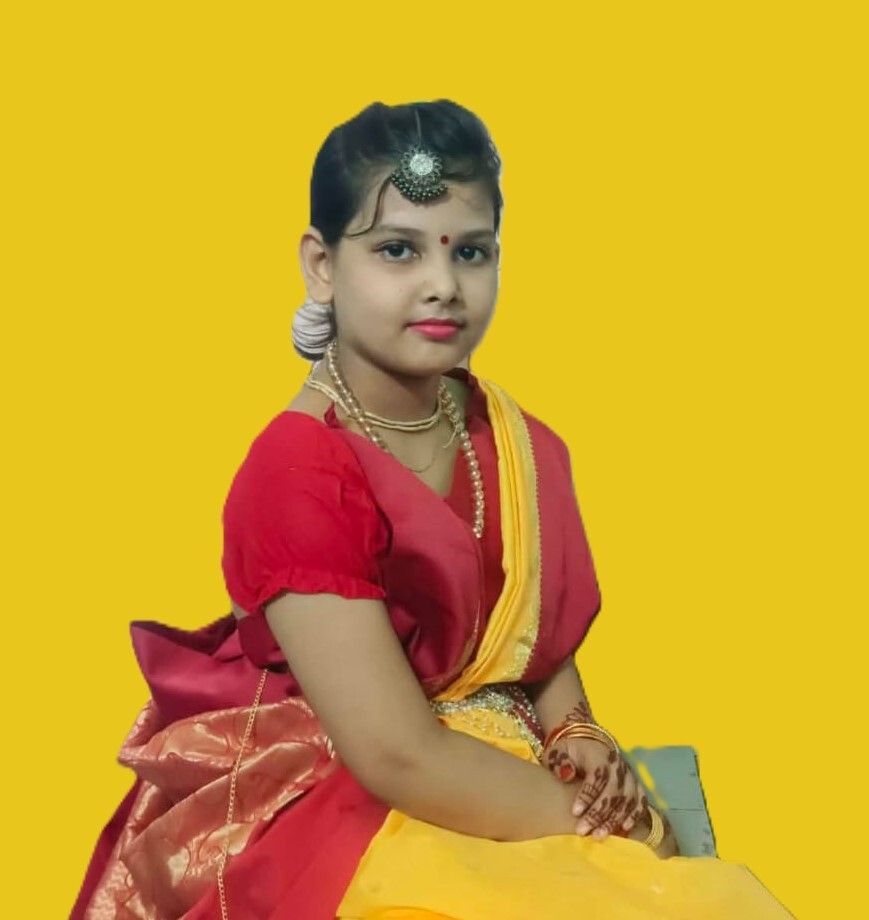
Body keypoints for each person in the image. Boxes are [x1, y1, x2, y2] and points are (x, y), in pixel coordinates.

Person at [72, 100, 792, 919]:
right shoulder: (299, 470)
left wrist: (576, 733)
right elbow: (395, 755)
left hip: (502, 767)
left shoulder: (510, 436)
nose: (442, 285)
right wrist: (607, 827)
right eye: (397, 250)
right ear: (322, 265)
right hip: (355, 795)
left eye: (470, 251)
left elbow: (526, 634)